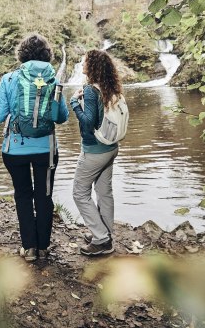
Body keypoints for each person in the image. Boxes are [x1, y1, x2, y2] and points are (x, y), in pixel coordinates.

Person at [0, 34, 69, 262]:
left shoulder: (8, 79)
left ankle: (29, 250)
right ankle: (44, 247)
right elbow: (62, 117)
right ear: (47, 55)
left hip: (15, 150)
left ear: (21, 54)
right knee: (44, 196)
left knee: (23, 195)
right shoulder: (53, 80)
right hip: (47, 151)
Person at [70, 49, 122, 256]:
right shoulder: (111, 88)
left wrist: (74, 102)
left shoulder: (91, 90)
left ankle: (101, 239)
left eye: (84, 62)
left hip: (94, 150)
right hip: (111, 147)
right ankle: (106, 233)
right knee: (104, 192)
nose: (82, 65)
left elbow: (88, 122)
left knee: (79, 193)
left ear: (92, 66)